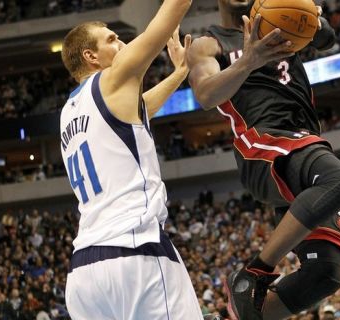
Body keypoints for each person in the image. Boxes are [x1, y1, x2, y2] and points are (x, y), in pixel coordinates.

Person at [188, 1, 340, 319]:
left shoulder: (280, 16)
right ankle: (254, 273)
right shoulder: (207, 44)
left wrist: (313, 18)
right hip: (261, 145)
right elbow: (207, 94)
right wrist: (247, 61)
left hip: (304, 145)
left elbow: (327, 39)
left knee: (324, 274)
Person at [59, 1, 204, 319]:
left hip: (84, 272)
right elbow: (168, 16)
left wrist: (178, 75)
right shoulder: (112, 80)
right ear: (90, 56)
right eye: (111, 39)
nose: (121, 43)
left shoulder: (70, 111)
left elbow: (139, 110)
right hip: (135, 253)